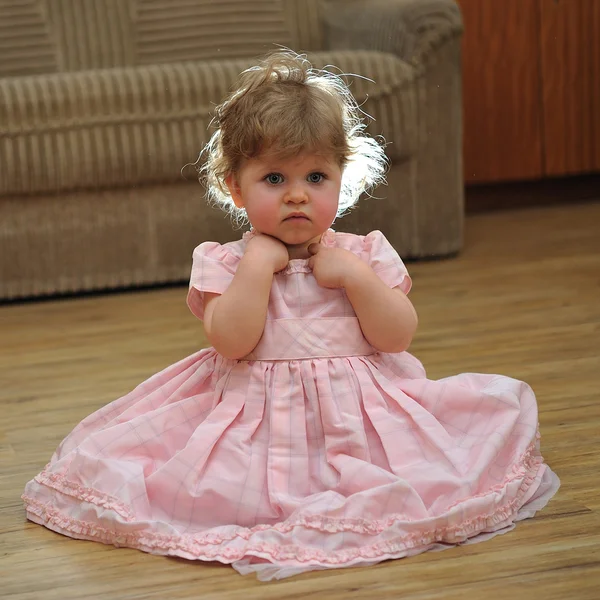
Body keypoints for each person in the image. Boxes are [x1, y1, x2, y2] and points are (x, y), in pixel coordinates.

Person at [22, 51, 559, 581]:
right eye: (275, 178)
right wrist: (257, 268)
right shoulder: (225, 261)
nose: (298, 195)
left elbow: (397, 337)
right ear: (235, 186)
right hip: (254, 417)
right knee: (225, 490)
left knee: (404, 473)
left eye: (317, 177)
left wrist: (354, 277)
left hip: (359, 418)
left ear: (342, 180)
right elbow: (231, 342)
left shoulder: (364, 253)